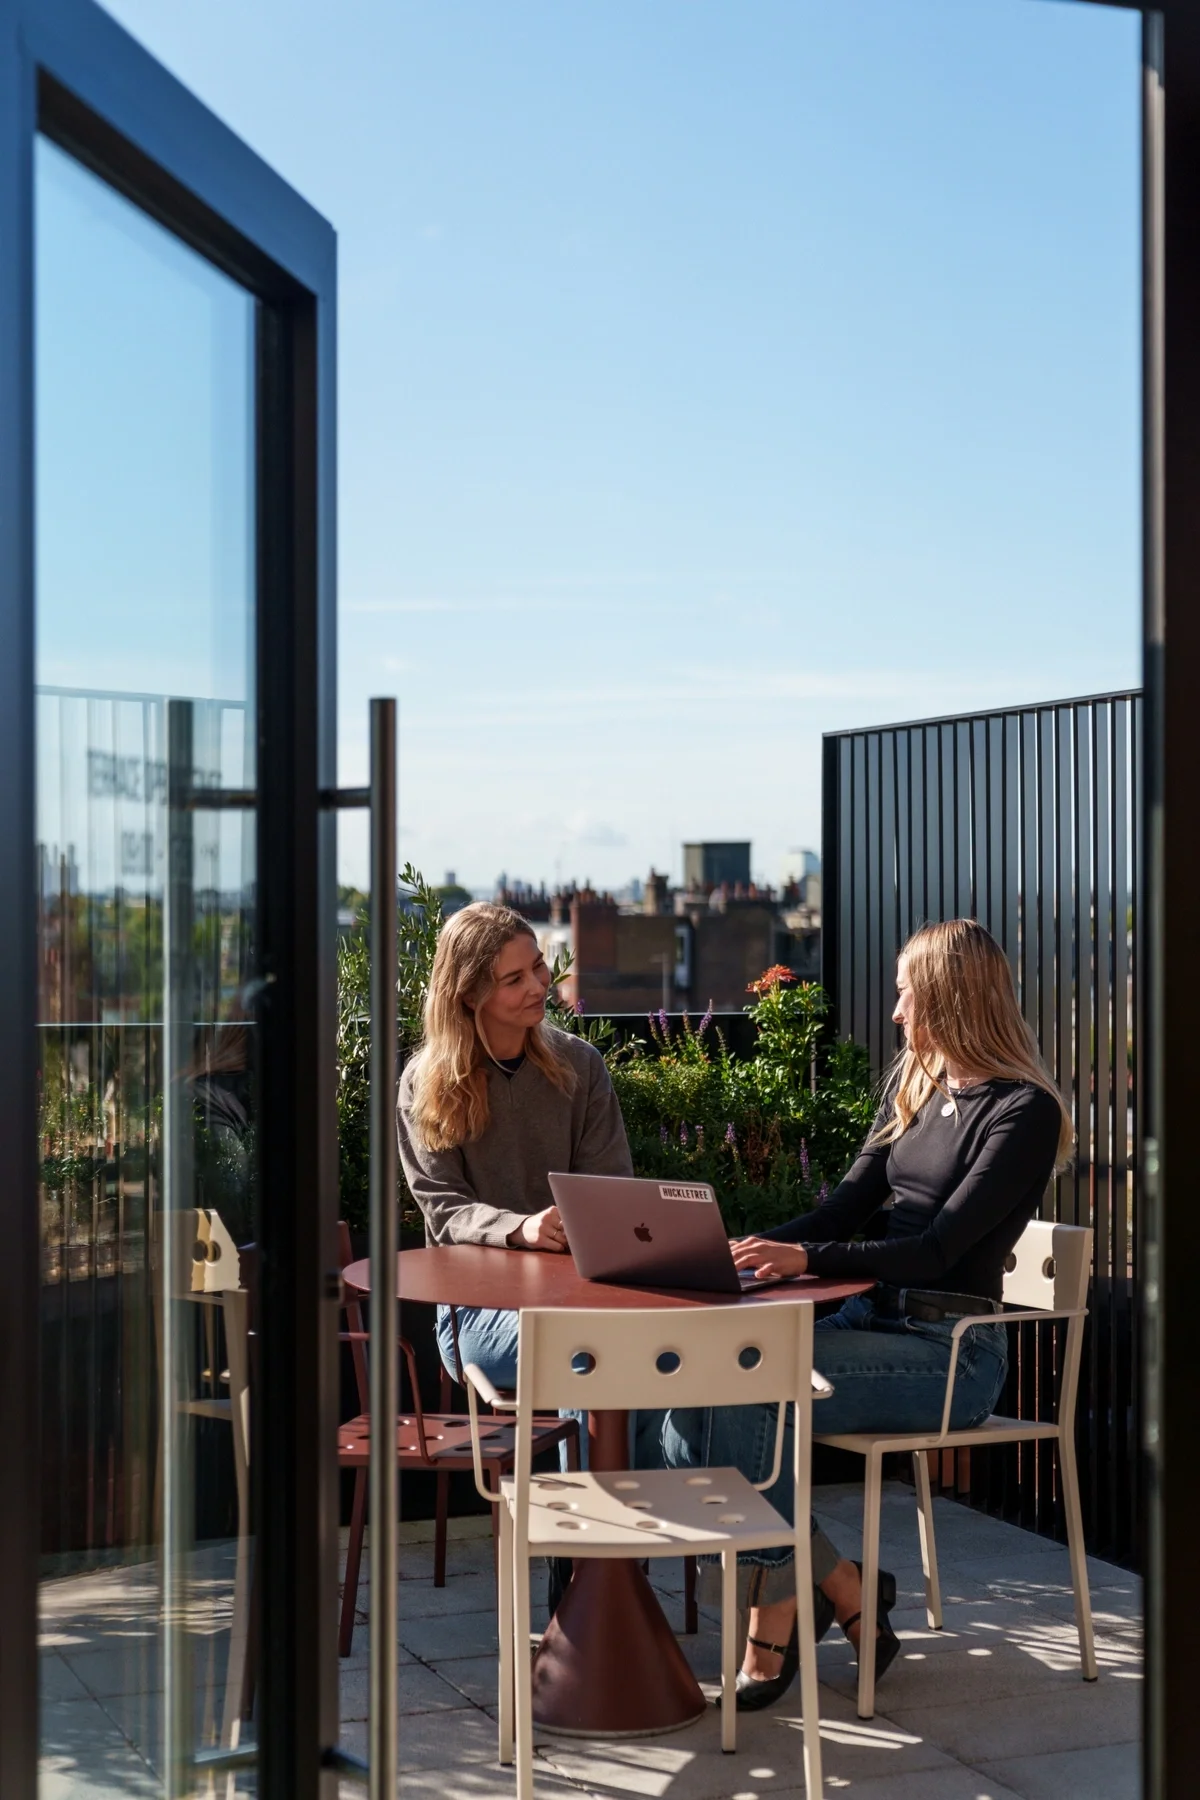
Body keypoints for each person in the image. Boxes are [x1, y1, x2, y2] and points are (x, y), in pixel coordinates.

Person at [651, 917, 1072, 1709]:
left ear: (950, 999)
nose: (896, 1012)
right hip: (870, 1324)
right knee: (694, 1396)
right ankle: (839, 1583)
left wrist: (807, 1262)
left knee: (740, 1399)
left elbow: (937, 1252)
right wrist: (730, 1250)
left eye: (907, 993)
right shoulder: (918, 1093)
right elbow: (838, 1210)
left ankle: (776, 1609)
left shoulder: (1023, 1112)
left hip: (949, 1351)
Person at [396, 900, 633, 1396]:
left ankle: (623, 1476)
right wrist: (519, 1229)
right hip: (475, 1313)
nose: (538, 985)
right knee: (595, 1346)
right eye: (514, 979)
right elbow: (443, 1209)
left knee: (633, 1345)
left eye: (538, 966)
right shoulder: (427, 1085)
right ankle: (593, 1477)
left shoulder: (580, 1065)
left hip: (583, 1296)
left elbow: (611, 1191)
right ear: (468, 995)